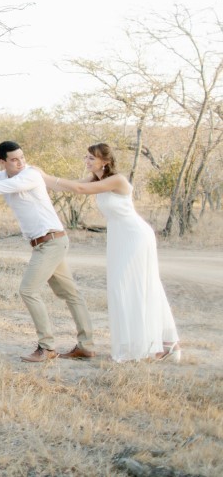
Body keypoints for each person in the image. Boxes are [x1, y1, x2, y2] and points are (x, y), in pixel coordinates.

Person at [0, 141, 96, 363]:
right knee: (71, 294)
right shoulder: (4, 175)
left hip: (51, 242)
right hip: (47, 242)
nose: (20, 162)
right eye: (14, 159)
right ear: (2, 162)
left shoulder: (29, 175)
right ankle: (86, 347)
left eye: (22, 157)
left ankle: (47, 347)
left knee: (28, 291)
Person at [44, 143, 180, 362]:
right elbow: (70, 186)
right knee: (122, 288)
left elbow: (79, 189)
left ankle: (154, 345)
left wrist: (45, 176)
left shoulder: (117, 180)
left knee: (133, 286)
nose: (87, 161)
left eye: (92, 158)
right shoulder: (96, 179)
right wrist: (39, 177)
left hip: (135, 236)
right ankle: (155, 344)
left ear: (105, 161)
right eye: (86, 157)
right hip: (119, 237)